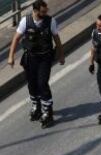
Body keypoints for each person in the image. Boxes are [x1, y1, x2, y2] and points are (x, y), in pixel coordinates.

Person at [8, 0, 65, 128]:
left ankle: (48, 111)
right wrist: (11, 56)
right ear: (35, 11)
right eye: (42, 12)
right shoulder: (25, 22)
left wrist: (61, 55)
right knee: (32, 84)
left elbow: (57, 39)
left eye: (46, 11)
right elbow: (16, 38)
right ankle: (36, 106)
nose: (45, 14)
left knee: (42, 83)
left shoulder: (51, 21)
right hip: (30, 58)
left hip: (45, 58)